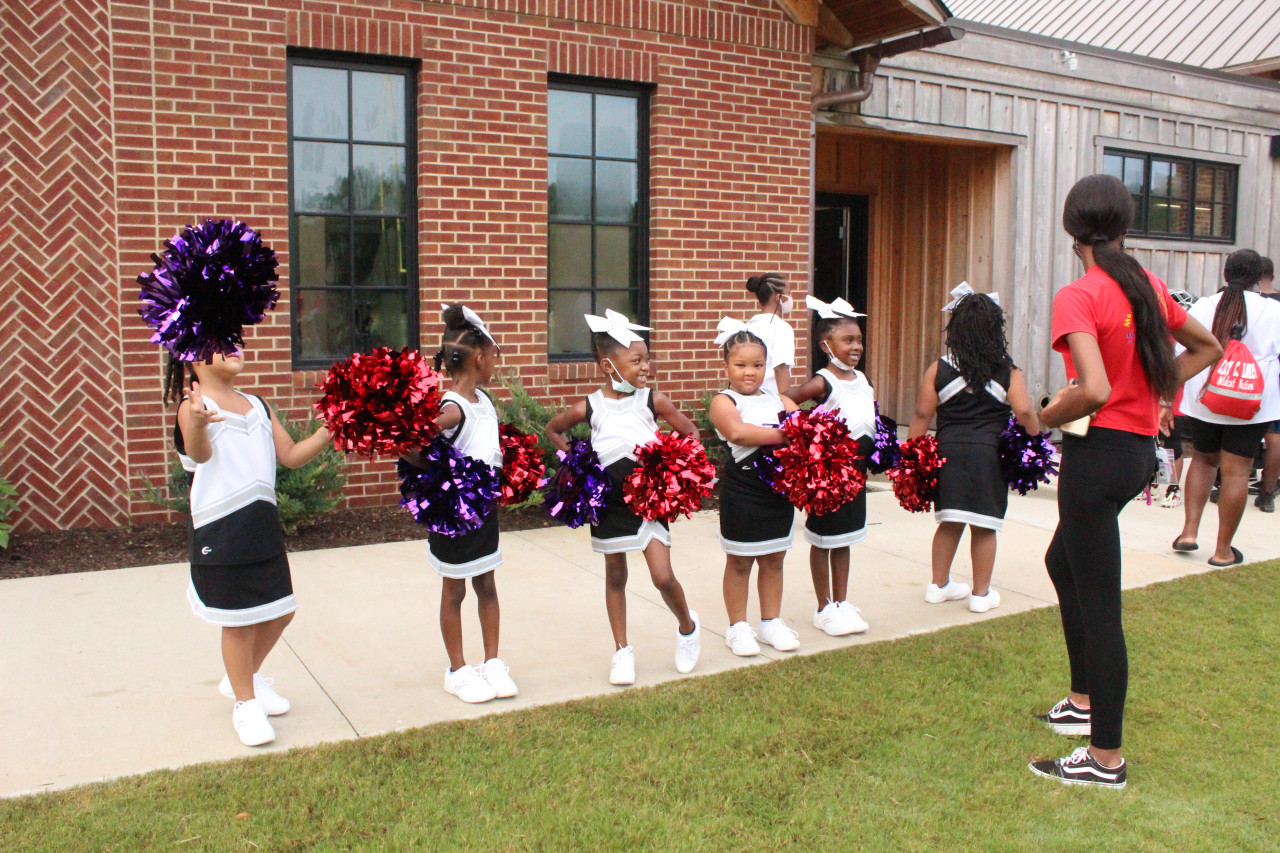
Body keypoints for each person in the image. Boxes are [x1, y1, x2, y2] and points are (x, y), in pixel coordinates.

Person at [1032, 174, 1220, 788]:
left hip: (1097, 455)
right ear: (1123, 226)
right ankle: (1082, 702)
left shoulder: (1080, 293)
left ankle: (1104, 756)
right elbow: (1207, 347)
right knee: (1063, 563)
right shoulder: (1147, 285)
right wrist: (1162, 387)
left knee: (1101, 607)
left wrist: (1041, 415)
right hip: (1135, 452)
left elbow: (1093, 389)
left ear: (1071, 227)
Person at [168, 347, 332, 747]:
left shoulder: (257, 405)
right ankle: (246, 704)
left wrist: (333, 429)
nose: (234, 348)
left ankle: (242, 677)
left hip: (261, 524)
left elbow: (291, 455)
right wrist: (200, 424)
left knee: (280, 611)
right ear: (193, 360)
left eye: (235, 338)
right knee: (237, 621)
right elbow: (199, 454)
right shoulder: (194, 408)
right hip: (219, 528)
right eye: (220, 343)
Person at [545, 309, 701, 686]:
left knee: (662, 576)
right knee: (615, 576)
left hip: (647, 498)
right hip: (609, 500)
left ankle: (687, 627)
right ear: (607, 365)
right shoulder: (590, 406)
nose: (646, 366)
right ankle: (622, 651)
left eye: (647, 358)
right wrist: (577, 465)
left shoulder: (652, 401)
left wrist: (674, 467)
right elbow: (553, 429)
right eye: (637, 360)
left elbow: (691, 432)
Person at [401, 305, 518, 705]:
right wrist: (427, 466)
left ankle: (492, 662)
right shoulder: (451, 409)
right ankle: (457, 670)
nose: (495, 362)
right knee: (455, 591)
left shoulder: (482, 399)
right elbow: (414, 443)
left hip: (483, 511)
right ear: (480, 358)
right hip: (456, 516)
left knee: (487, 583)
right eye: (493, 354)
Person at [906, 287, 1039, 614]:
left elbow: (922, 414)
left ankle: (938, 585)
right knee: (985, 523)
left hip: (948, 452)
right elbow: (1023, 411)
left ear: (957, 328)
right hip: (988, 457)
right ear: (996, 329)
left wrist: (911, 455)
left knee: (949, 519)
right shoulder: (1008, 370)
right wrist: (1036, 441)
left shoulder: (939, 368)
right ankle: (980, 594)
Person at [1173, 250, 1280, 563]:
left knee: (1204, 460)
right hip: (1252, 403)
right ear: (1260, 279)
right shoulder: (1272, 311)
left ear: (1225, 275)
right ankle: (1222, 551)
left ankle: (1189, 532)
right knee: (1236, 473)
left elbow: (1183, 349)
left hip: (1204, 399)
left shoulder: (1205, 305)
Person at [708, 320, 801, 656]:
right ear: (727, 367)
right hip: (743, 488)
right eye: (741, 365)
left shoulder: (777, 398)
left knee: (775, 558)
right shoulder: (724, 400)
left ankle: (771, 623)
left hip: (777, 490)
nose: (750, 372)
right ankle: (737, 628)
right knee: (740, 561)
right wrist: (785, 434)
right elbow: (739, 434)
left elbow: (804, 424)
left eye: (758, 365)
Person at [785, 296, 875, 636]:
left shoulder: (861, 378)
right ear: (826, 344)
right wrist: (808, 437)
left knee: (845, 539)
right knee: (823, 539)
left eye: (858, 340)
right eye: (848, 340)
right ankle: (823, 607)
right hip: (830, 476)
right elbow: (790, 399)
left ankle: (841, 601)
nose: (856, 347)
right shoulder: (824, 381)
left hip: (856, 474)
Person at [1253, 257, 1279, 512]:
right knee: (1275, 437)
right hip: (1275, 379)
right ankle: (1268, 492)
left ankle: (1227, 483)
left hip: (1241, 377)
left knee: (1241, 434)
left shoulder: (1246, 301)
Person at [744, 273, 796, 395]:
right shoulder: (781, 328)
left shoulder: (748, 325)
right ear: (778, 297)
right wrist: (787, 406)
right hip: (771, 399)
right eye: (788, 293)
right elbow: (781, 368)